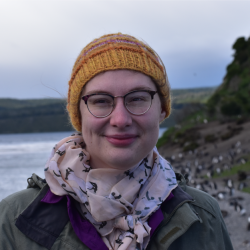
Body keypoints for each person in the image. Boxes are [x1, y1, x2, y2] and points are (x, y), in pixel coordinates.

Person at [0, 33, 233, 250]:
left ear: (162, 110)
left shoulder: (205, 216)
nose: (120, 119)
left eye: (138, 99)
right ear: (79, 116)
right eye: (101, 101)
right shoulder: (11, 220)